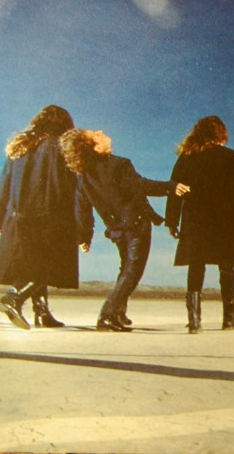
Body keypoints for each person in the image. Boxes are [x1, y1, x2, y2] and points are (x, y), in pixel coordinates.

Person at [59, 128, 189, 332]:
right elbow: (140, 186)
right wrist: (171, 187)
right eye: (95, 134)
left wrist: (84, 236)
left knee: (126, 268)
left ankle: (118, 312)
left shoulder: (83, 176)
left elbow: (82, 209)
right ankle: (107, 315)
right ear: (95, 147)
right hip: (136, 225)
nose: (100, 131)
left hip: (116, 229)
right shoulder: (119, 164)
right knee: (132, 271)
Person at [0, 105, 77, 330]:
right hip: (48, 214)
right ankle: (13, 297)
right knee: (50, 262)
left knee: (35, 263)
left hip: (17, 216)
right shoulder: (59, 146)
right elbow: (66, 185)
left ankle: (42, 313)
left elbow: (4, 181)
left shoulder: (20, 145)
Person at [165, 116, 234, 334]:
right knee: (227, 266)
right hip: (226, 220)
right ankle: (229, 319)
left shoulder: (186, 157)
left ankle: (194, 322)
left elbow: (174, 190)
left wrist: (171, 220)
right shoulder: (232, 156)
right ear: (221, 133)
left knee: (196, 265)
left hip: (195, 220)